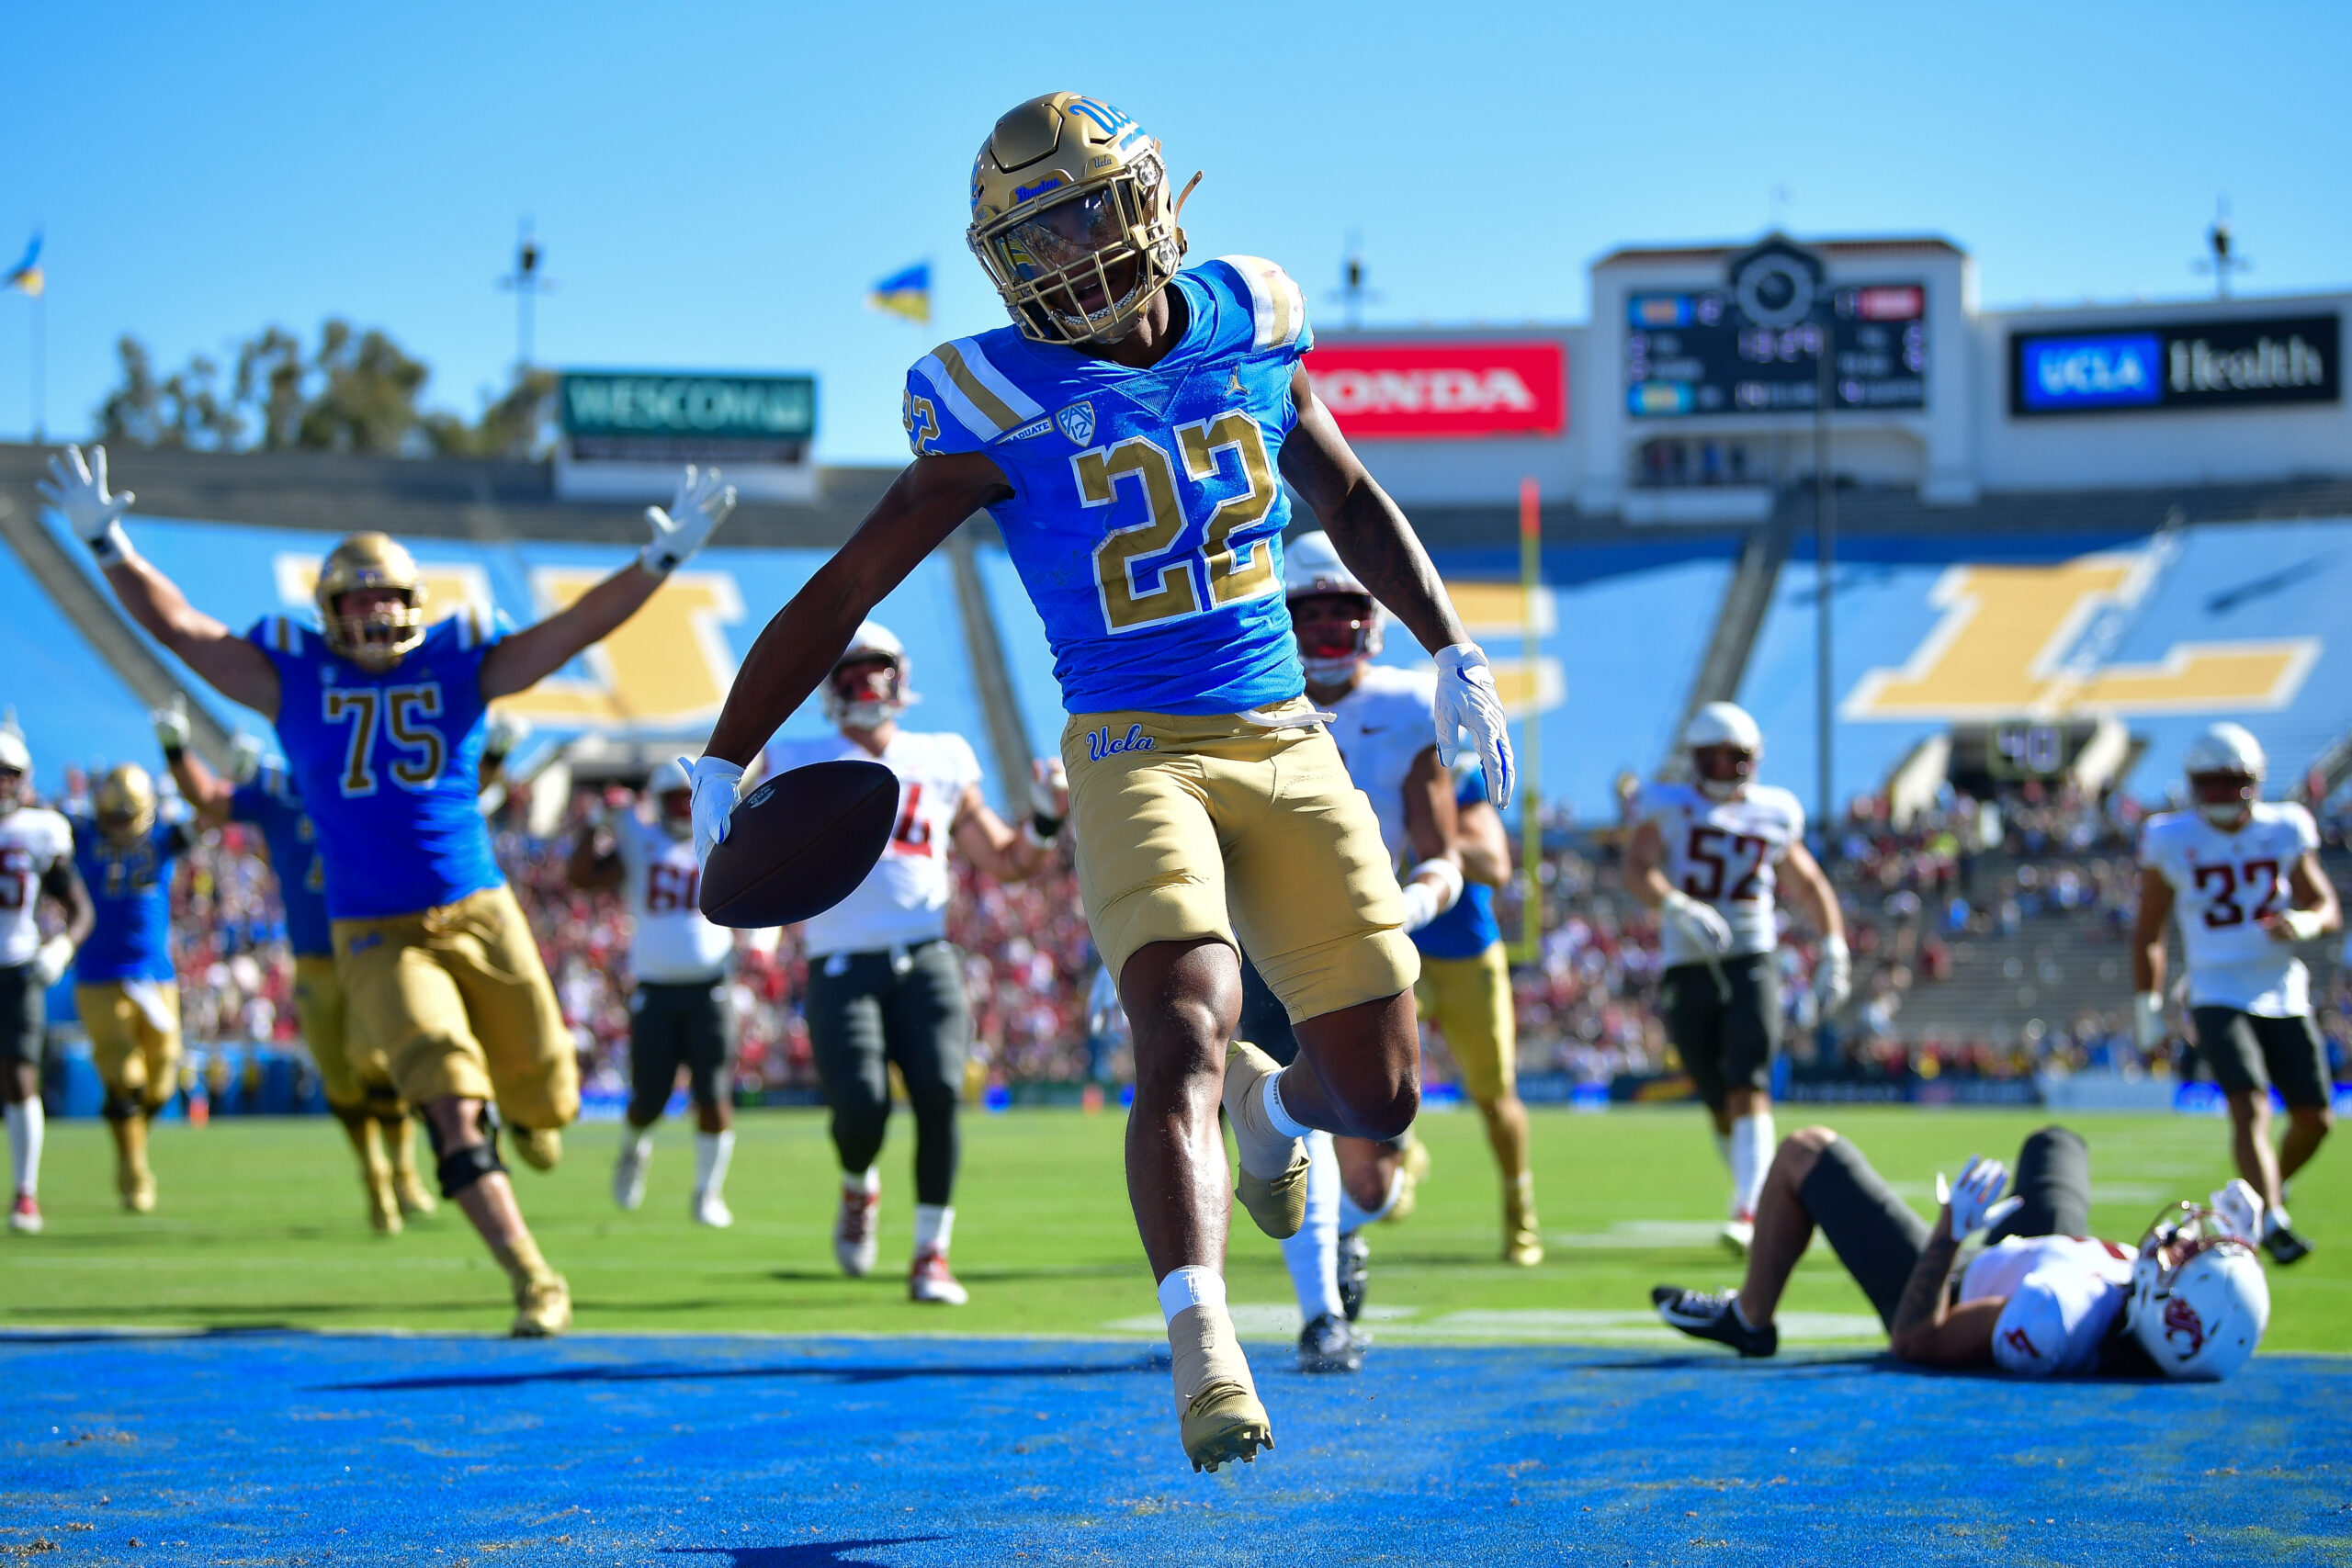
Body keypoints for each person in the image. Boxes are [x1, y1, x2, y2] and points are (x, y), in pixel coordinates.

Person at [682, 94, 1513, 1471]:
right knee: (1181, 1021)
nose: (1065, 250)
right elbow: (847, 583)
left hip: (1284, 737)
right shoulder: (990, 392)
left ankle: (1275, 1106)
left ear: (1148, 197)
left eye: (1080, 208)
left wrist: (1450, 640)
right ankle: (1206, 1343)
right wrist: (727, 744)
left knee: (1378, 1095)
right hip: (1130, 740)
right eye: (1032, 232)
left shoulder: (1251, 317)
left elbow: (1349, 494)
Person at [42, 441, 735, 1336]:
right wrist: (109, 547)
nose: (373, 615)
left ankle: (530, 1116)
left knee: (549, 1098)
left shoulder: (458, 665)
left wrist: (660, 561)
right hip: (373, 930)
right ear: (328, 612)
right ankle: (532, 1276)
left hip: (481, 909)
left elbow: (573, 632)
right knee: (446, 1094)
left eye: (387, 597)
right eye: (355, 599)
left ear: (415, 605)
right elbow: (183, 629)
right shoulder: (291, 674)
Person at [763, 621, 1068, 1306]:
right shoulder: (792, 755)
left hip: (926, 952)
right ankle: (856, 1181)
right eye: (851, 673)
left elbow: (1008, 861)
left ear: (900, 678)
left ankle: (931, 1254)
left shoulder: (941, 756)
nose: (867, 686)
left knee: (937, 1091)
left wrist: (1046, 820)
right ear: (829, 687)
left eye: (877, 671)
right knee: (862, 1108)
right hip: (838, 957)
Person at [1286, 531, 1538, 1273]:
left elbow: (1452, 851)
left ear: (1375, 616)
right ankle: (1332, 1247)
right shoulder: (1256, 696)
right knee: (1340, 1131)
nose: (1332, 630)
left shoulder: (1407, 704)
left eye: (1346, 611)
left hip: (1420, 936)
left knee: (1488, 1093)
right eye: (1314, 613)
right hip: (1305, 936)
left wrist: (1411, 903)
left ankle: (1518, 1209)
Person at [1653, 1123, 2271, 1381]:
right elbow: (2209, 1311)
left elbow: (1916, 1338)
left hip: (1949, 1286)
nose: (2178, 1242)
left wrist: (1950, 1232)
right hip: (2034, 1253)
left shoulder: (2054, 1310)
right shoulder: (2142, 1313)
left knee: (1804, 1152)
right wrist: (2240, 1254)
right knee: (2056, 1141)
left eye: (2188, 1256)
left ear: (2177, 1318)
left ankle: (1750, 1319)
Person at [156, 700, 434, 1233]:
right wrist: (175, 750)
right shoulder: (280, 794)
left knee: (376, 1063)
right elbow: (209, 799)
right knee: (340, 1081)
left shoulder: (376, 782)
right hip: (313, 958)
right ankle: (374, 1175)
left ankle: (403, 1171)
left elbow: (451, 792)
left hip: (369, 948)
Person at [1623, 702, 1849, 1255]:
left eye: (1734, 758)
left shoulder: (1774, 813)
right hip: (1687, 958)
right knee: (1717, 1095)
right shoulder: (1667, 806)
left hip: (1752, 954)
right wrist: (1676, 905)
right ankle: (1757, 1194)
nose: (1723, 768)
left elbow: (1808, 882)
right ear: (1694, 760)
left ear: (1753, 761)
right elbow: (1637, 867)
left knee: (1749, 1078)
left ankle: (1754, 1209)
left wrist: (1834, 947)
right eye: (1713, 757)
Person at [2132, 722, 2339, 1266]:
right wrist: (2146, 1004)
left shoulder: (2287, 825)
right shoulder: (2170, 836)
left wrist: (2305, 923)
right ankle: (2272, 1218)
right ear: (2193, 784)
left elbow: (2328, 906)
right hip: (2215, 988)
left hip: (2282, 990)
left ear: (2256, 781)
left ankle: (2263, 1194)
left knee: (2316, 1119)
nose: (2223, 794)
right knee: (2248, 1106)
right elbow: (2149, 929)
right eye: (2211, 783)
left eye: (2234, 782)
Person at [566, 759, 740, 1228]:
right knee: (648, 1097)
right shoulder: (639, 840)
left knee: (715, 1094)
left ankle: (707, 1193)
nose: (683, 808)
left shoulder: (725, 834)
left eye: (688, 797)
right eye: (673, 799)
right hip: (656, 990)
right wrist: (596, 823)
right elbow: (582, 877)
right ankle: (632, 1150)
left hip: (712, 986)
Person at [65, 761, 195, 1212]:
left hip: (156, 975)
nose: (120, 826)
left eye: (127, 817)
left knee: (162, 1081)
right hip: (100, 974)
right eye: (112, 817)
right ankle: (133, 1166)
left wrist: (177, 756)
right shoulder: (78, 834)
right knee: (125, 1077)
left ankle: (131, 1145)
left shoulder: (165, 836)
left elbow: (207, 813)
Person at [0, 720, 94, 1235]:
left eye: (7, 773)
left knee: (20, 1077)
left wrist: (61, 945)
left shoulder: (39, 829)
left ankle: (25, 1192)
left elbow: (80, 908)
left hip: (16, 964)